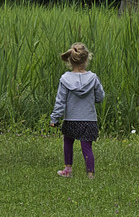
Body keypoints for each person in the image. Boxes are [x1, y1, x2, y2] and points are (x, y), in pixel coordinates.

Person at [50, 41, 104, 178]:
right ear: (86, 59)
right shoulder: (93, 78)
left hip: (71, 119)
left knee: (68, 142)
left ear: (70, 60)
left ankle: (68, 170)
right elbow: (100, 96)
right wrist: (94, 100)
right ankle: (90, 174)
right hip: (89, 119)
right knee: (87, 147)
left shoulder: (65, 79)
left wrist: (54, 118)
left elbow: (60, 101)